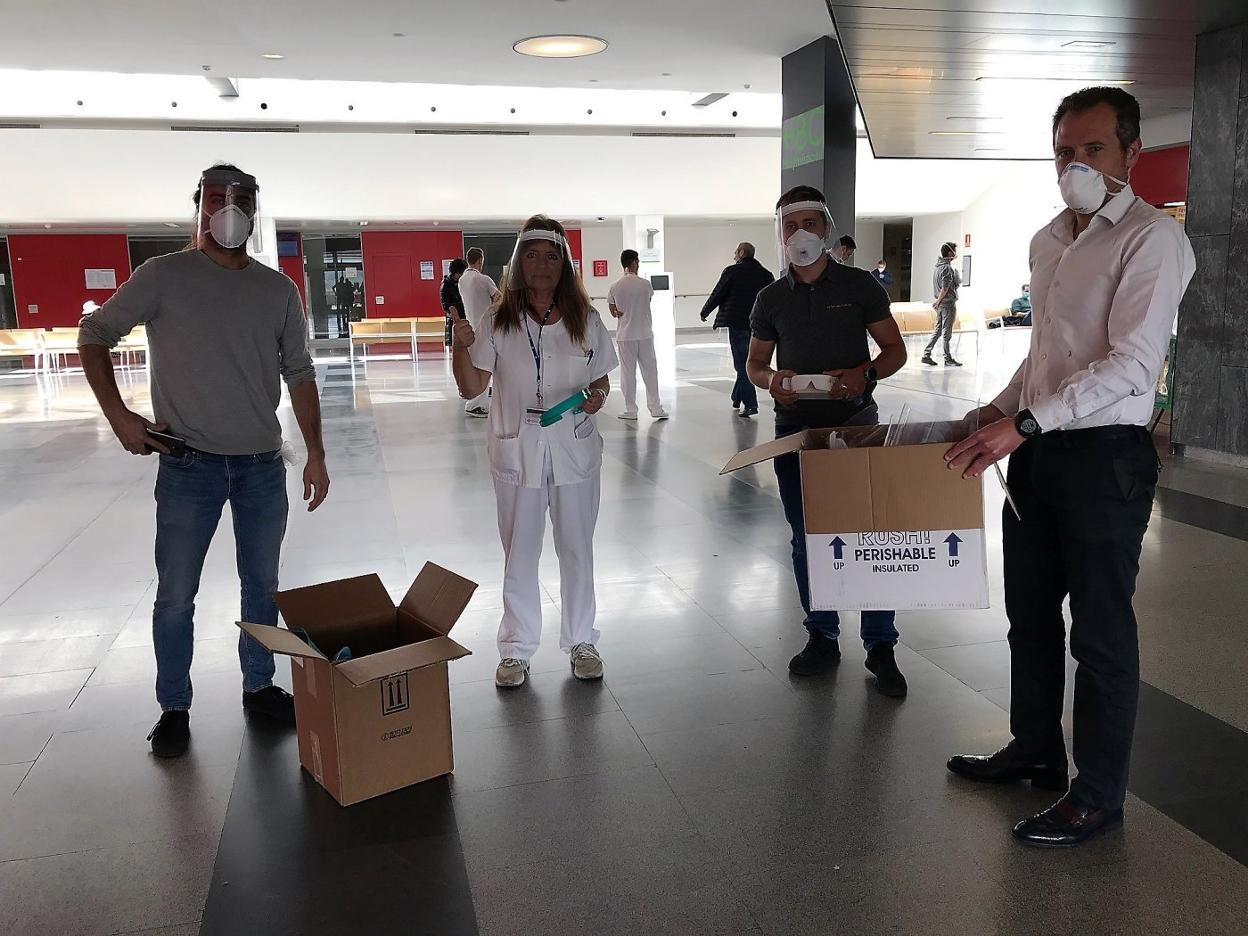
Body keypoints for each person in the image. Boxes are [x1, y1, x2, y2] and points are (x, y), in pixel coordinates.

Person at [944, 87, 1195, 848]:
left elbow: (1132, 366)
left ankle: (1096, 795)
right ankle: (1035, 751)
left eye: (1092, 150)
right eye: (1064, 151)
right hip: (1038, 451)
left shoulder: (1151, 241)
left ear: (1130, 155)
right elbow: (1045, 358)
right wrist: (996, 410)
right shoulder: (1050, 240)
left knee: (1101, 634)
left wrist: (1024, 424)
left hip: (1104, 460)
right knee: (1028, 617)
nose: (1075, 165)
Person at [77, 163, 330, 759]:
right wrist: (120, 416)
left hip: (261, 466)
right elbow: (94, 334)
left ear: (254, 209)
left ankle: (259, 684)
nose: (228, 208)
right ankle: (173, 704)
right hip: (188, 467)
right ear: (198, 208)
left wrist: (315, 453)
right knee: (176, 593)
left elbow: (299, 373)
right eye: (216, 198)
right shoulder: (163, 277)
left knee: (261, 585)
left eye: (240, 198)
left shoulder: (277, 290)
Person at [746, 185, 909, 696]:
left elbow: (894, 351)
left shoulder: (860, 286)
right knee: (807, 534)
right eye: (789, 226)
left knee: (872, 532)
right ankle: (822, 635)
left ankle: (880, 643)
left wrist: (865, 374)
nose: (800, 235)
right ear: (780, 235)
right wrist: (774, 382)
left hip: (857, 424)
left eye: (809, 223)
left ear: (826, 227)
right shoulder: (770, 298)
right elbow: (754, 364)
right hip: (795, 432)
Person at [449, 216, 619, 689]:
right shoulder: (496, 321)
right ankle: (517, 648)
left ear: (563, 264)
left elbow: (601, 378)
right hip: (517, 446)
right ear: (518, 263)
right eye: (532, 254)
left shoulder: (587, 321)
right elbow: (470, 387)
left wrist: (598, 397)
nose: (542, 265)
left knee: (576, 548)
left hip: (574, 443)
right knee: (519, 551)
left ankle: (581, 639)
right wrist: (460, 348)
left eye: (551, 255)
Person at [700, 242, 774, 417]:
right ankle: (736, 396)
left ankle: (750, 404)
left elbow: (719, 292)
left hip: (738, 324)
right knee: (747, 362)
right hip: (758, 326)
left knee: (742, 364)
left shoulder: (732, 271)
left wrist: (705, 311)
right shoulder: (765, 274)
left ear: (742, 253)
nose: (734, 255)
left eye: (736, 252)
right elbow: (772, 299)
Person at [607, 249, 668, 421]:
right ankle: (655, 408)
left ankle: (630, 409)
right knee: (650, 371)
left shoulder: (615, 286)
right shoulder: (645, 284)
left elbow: (613, 311)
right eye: (638, 261)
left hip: (625, 335)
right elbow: (647, 301)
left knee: (627, 373)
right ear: (633, 262)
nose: (639, 264)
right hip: (645, 334)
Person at [459, 247, 502, 418]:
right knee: (486, 366)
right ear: (481, 260)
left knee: (476, 366)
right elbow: (499, 297)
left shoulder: (463, 279)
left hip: (471, 326)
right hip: (485, 327)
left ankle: (475, 401)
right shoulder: (483, 279)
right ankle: (476, 404)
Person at [922, 242, 963, 367]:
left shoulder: (938, 267)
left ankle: (926, 354)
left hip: (941, 305)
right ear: (950, 253)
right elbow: (944, 288)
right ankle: (947, 358)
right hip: (947, 304)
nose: (955, 253)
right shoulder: (946, 268)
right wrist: (938, 301)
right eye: (954, 251)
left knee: (938, 330)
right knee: (946, 331)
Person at [440, 259, 467, 348]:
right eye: (460, 273)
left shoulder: (463, 282)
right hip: (455, 319)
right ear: (455, 272)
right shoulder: (446, 285)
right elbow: (445, 305)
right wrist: (458, 306)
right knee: (458, 347)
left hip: (466, 317)